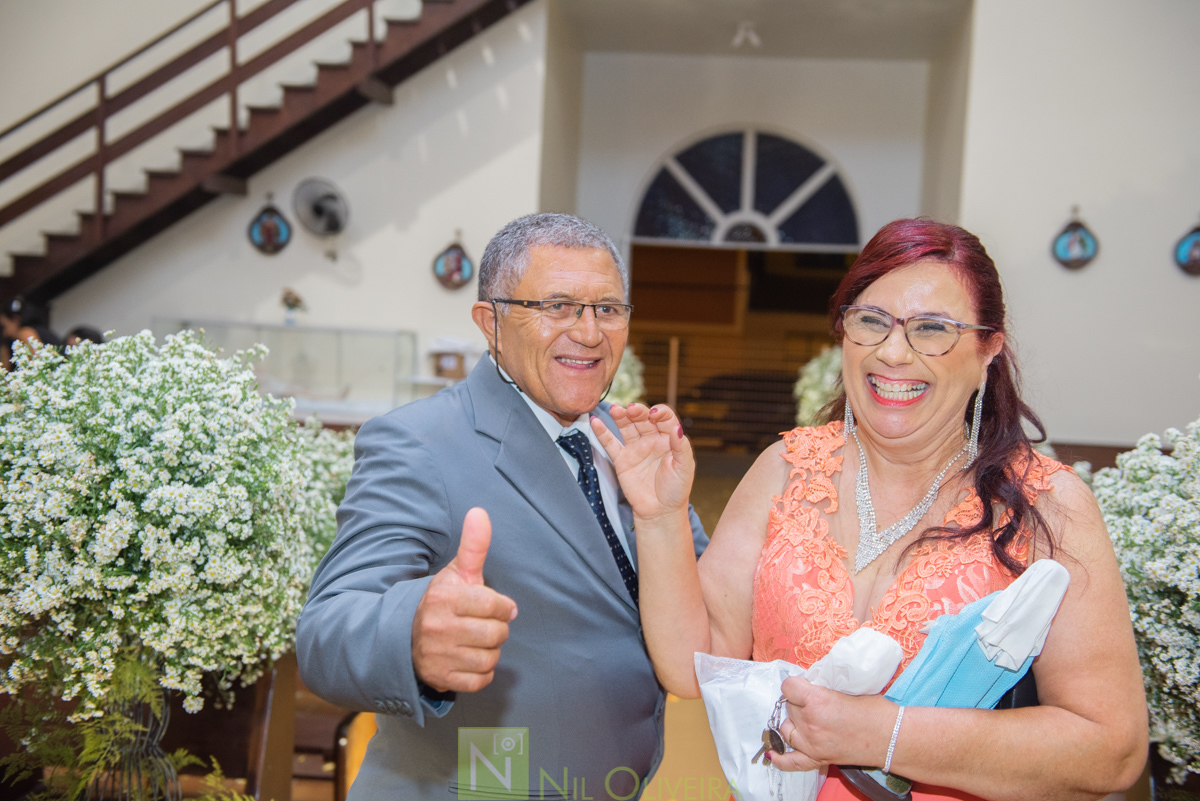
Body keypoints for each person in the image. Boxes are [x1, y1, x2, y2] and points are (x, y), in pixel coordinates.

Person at [593, 219, 1148, 801]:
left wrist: (887, 736)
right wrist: (660, 516)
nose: (892, 352)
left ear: (989, 346)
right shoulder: (784, 470)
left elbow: (1110, 750)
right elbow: (693, 667)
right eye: (870, 321)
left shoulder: (1048, 507)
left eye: (931, 329)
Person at [297, 213, 707, 801]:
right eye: (557, 306)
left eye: (608, 309)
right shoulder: (420, 442)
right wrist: (410, 633)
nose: (590, 333)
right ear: (491, 322)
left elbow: (699, 609)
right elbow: (325, 630)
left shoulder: (634, 443)